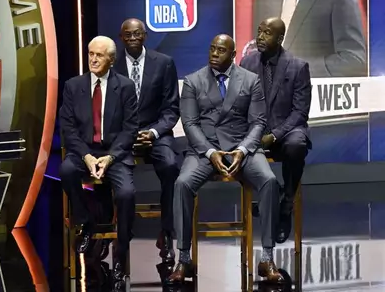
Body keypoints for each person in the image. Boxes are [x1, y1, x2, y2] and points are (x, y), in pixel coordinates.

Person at [169, 35, 284, 284]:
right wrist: (210, 153)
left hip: (242, 149)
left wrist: (242, 150)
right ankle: (184, 258)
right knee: (182, 184)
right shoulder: (193, 81)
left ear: (233, 55)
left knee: (269, 181)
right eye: (211, 49)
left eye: (221, 50)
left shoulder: (250, 80)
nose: (214, 54)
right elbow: (189, 123)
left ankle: (266, 257)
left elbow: (258, 122)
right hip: (205, 150)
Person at [59, 36, 138, 291]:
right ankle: (86, 223)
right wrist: (87, 156)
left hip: (114, 153)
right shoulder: (73, 86)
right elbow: (68, 129)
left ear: (111, 60)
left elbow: (130, 129)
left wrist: (111, 156)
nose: (93, 59)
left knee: (126, 193)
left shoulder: (125, 87)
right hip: (85, 151)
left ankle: (121, 254)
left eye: (99, 55)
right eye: (91, 53)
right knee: (67, 171)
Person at [113, 18, 181, 280]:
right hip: (121, 135)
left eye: (137, 33)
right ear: (121, 37)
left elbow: (171, 108)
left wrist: (152, 132)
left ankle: (166, 233)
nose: (133, 37)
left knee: (170, 165)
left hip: (154, 132)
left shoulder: (163, 63)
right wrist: (127, 135)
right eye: (127, 34)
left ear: (145, 35)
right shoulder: (112, 64)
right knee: (113, 177)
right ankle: (120, 238)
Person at [241, 17, 312, 244]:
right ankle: (268, 197)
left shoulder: (298, 66)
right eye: (259, 31)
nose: (260, 37)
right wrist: (254, 132)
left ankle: (286, 204)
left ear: (280, 38)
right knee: (237, 143)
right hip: (256, 129)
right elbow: (240, 104)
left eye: (267, 33)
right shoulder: (247, 63)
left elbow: (300, 113)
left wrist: (275, 135)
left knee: (296, 145)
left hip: (286, 130)